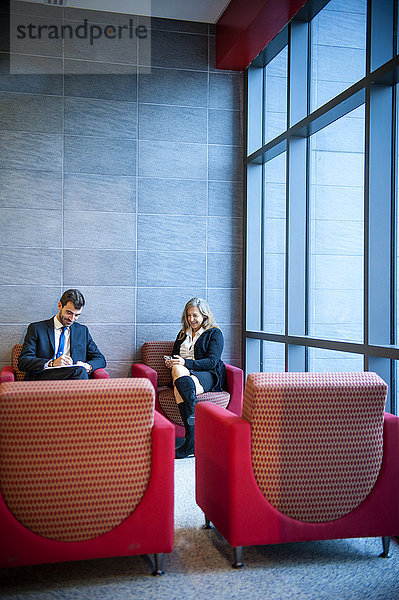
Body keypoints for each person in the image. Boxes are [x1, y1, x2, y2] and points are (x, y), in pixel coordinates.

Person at [165, 297, 226, 459]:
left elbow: (212, 362)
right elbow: (175, 355)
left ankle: (190, 441)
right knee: (178, 370)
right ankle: (192, 437)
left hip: (206, 373)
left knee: (180, 389)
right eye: (188, 315)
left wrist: (185, 362)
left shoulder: (214, 333)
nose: (191, 319)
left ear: (204, 316)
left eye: (195, 316)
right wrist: (172, 361)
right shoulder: (182, 333)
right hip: (182, 374)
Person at [18, 289, 106, 380]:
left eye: (77, 315)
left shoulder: (82, 331)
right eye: (69, 313)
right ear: (60, 306)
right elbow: (23, 362)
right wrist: (52, 363)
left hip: (73, 377)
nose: (72, 319)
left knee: (80, 371)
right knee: (79, 372)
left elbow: (100, 359)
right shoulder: (37, 329)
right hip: (44, 377)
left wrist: (88, 366)